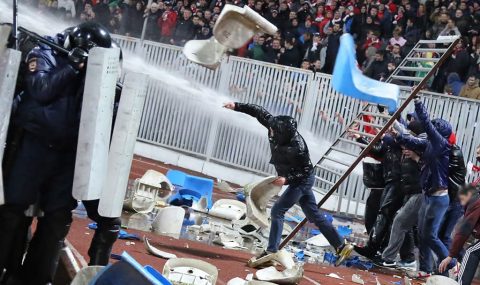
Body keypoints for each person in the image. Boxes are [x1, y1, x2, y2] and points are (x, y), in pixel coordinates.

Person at [0, 22, 115, 284]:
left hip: (68, 153)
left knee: (58, 217)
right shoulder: (44, 52)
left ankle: (36, 279)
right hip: (34, 143)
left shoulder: (98, 64)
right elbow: (41, 89)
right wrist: (72, 66)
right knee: (12, 209)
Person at [222, 102, 353, 266]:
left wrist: (287, 179)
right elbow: (257, 110)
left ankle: (271, 251)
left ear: (284, 134)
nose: (270, 131)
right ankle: (341, 245)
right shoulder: (274, 125)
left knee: (278, 210)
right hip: (296, 178)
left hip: (301, 180)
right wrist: (236, 106)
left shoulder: (297, 147)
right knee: (313, 215)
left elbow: (306, 171)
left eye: (274, 131)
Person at [395, 99, 455, 275]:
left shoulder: (441, 144)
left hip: (439, 199)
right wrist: (398, 136)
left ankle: (452, 266)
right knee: (422, 234)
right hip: (429, 196)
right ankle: (426, 270)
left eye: (436, 128)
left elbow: (427, 125)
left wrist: (419, 105)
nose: (431, 129)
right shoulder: (431, 143)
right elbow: (413, 142)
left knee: (431, 236)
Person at [439, 184, 480, 285]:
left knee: (471, 252)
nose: (461, 203)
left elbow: (464, 230)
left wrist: (450, 256)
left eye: (462, 199)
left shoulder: (476, 202)